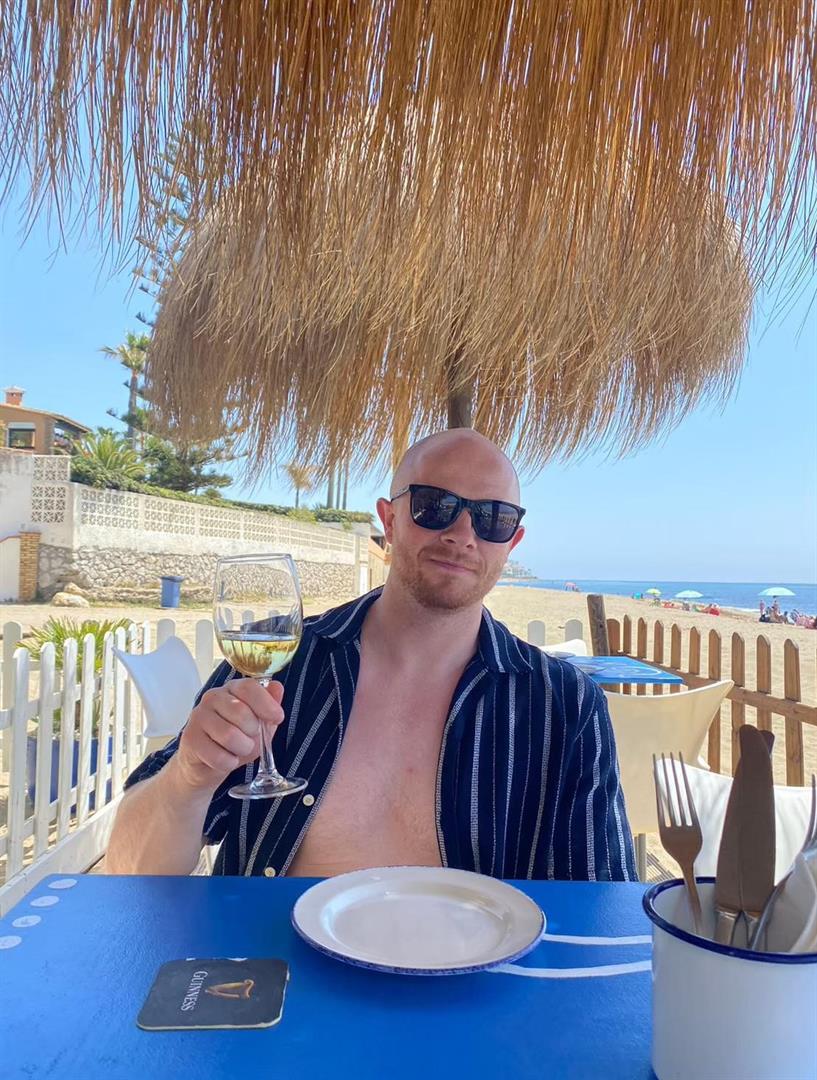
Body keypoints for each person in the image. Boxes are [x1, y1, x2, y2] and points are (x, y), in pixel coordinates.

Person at [107, 429, 635, 882]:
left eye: (492, 518)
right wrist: (188, 777)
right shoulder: (280, 664)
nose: (462, 535)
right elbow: (128, 871)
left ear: (512, 542)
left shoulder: (563, 707)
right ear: (389, 519)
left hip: (475, 973)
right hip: (271, 965)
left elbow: (599, 905)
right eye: (435, 506)